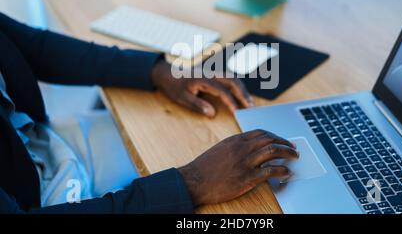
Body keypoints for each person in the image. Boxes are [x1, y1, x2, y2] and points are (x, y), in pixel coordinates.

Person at [0, 12, 299, 213]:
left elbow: (32, 46)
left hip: (35, 145)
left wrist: (155, 71)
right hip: (34, 200)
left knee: (167, 136)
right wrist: (191, 183)